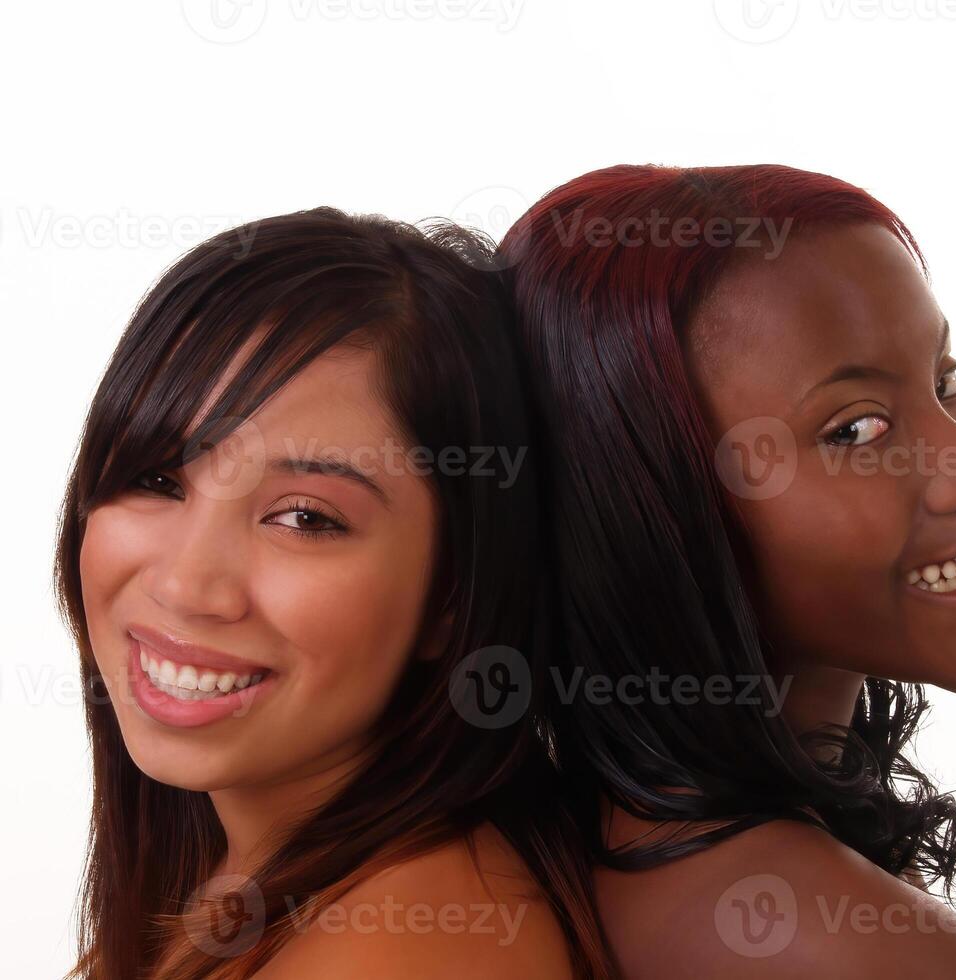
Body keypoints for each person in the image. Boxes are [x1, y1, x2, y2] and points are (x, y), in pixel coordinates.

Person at [53, 208, 614, 978]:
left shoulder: (405, 949)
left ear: (455, 591)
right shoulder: (245, 880)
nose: (186, 585)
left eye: (303, 517)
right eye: (155, 479)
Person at [497, 164, 956, 978]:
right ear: (643, 504)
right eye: (854, 429)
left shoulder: (591, 844)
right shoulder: (854, 950)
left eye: (945, 383)